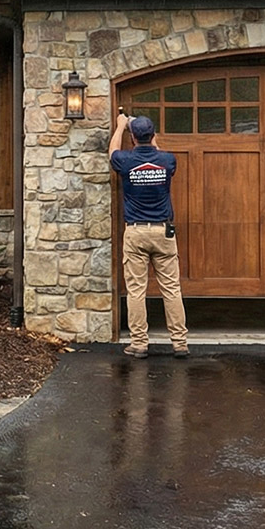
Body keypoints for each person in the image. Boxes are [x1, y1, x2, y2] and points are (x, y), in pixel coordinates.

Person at [110, 113, 188, 358]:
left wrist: (121, 126)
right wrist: (149, 139)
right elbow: (158, 152)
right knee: (172, 289)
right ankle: (180, 343)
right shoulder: (167, 160)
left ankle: (139, 343)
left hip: (136, 231)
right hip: (163, 231)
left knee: (136, 290)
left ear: (133, 138)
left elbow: (112, 151)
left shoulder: (125, 160)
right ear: (153, 136)